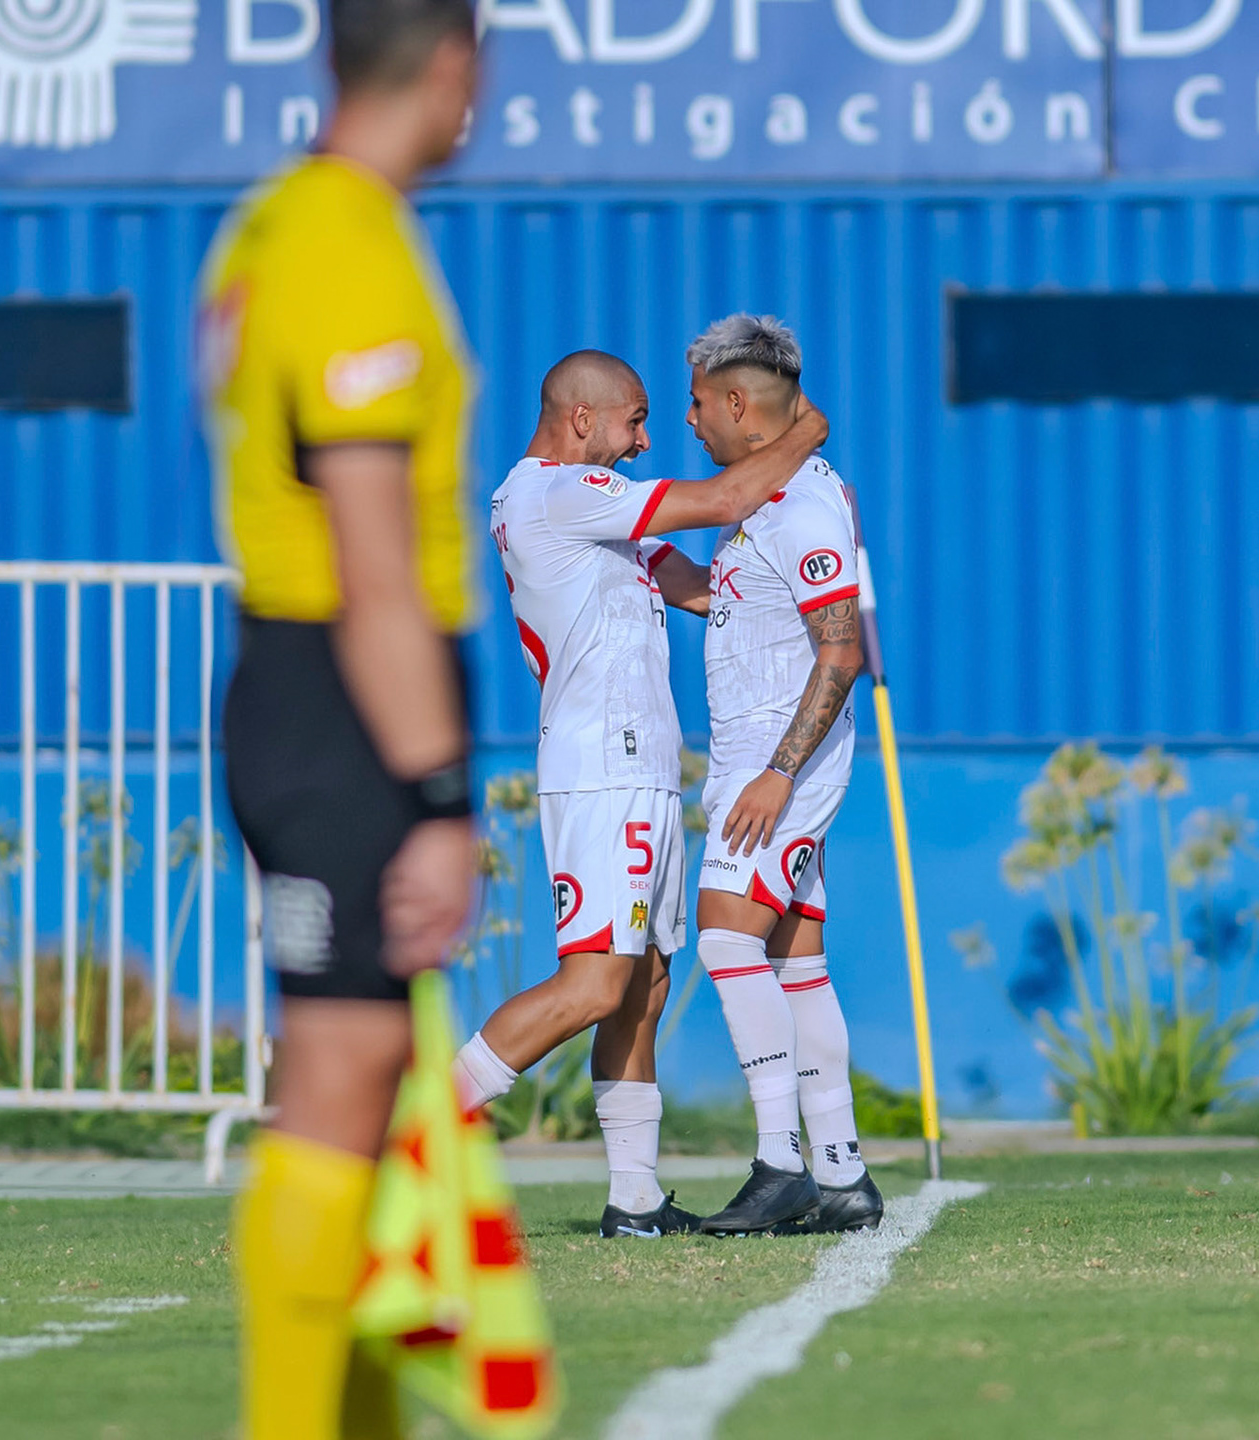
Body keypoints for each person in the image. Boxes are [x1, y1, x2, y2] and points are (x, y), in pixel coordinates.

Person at [196, 0, 482, 1434]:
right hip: (344, 704)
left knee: (357, 1094)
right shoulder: (349, 249)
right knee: (342, 1078)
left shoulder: (270, 225)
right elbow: (375, 562)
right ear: (451, 66)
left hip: (295, 686)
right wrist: (436, 802)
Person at [451, 350, 827, 1240]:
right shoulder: (555, 493)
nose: (646, 440)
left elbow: (706, 590)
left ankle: (633, 1198)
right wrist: (805, 436)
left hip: (645, 769)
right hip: (599, 769)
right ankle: (420, 1134)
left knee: (644, 986)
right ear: (582, 420)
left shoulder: (598, 514)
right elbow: (724, 501)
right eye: (635, 421)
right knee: (593, 983)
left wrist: (821, 594)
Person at [675, 315, 882, 1237]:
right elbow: (739, 606)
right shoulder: (765, 499)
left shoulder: (801, 505)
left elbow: (840, 654)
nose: (688, 422)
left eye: (694, 406)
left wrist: (777, 777)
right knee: (798, 961)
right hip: (753, 756)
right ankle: (839, 1171)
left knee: (725, 937)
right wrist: (639, 558)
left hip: (779, 764)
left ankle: (778, 1163)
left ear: (734, 405)